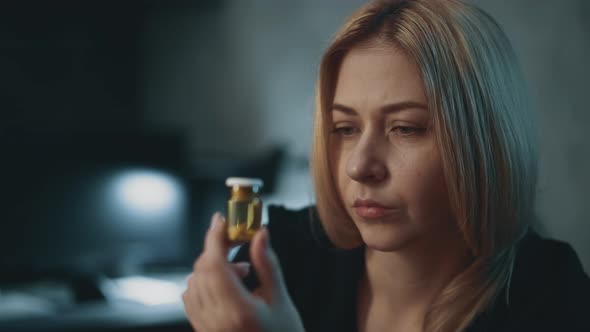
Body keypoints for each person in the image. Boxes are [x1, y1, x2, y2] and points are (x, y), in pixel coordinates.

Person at [182, 0, 590, 331]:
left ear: (483, 142)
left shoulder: (550, 294)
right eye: (344, 128)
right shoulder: (285, 255)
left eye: (405, 129)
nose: (360, 166)